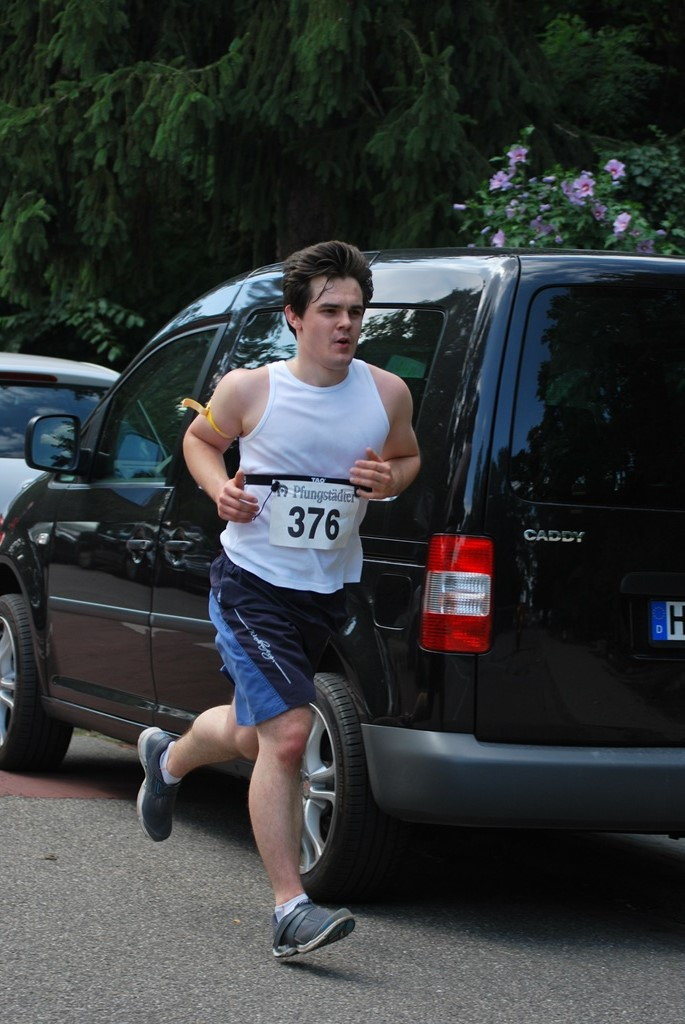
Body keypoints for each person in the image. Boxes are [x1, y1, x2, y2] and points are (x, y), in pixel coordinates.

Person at [135, 240, 420, 958]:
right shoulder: (250, 389)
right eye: (328, 310)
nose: (345, 324)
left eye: (355, 311)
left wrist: (389, 480)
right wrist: (219, 489)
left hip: (325, 589)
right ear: (294, 317)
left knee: (253, 734)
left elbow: (407, 455)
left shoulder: (386, 393)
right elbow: (199, 441)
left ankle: (168, 760)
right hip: (251, 585)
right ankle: (290, 909)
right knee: (290, 733)